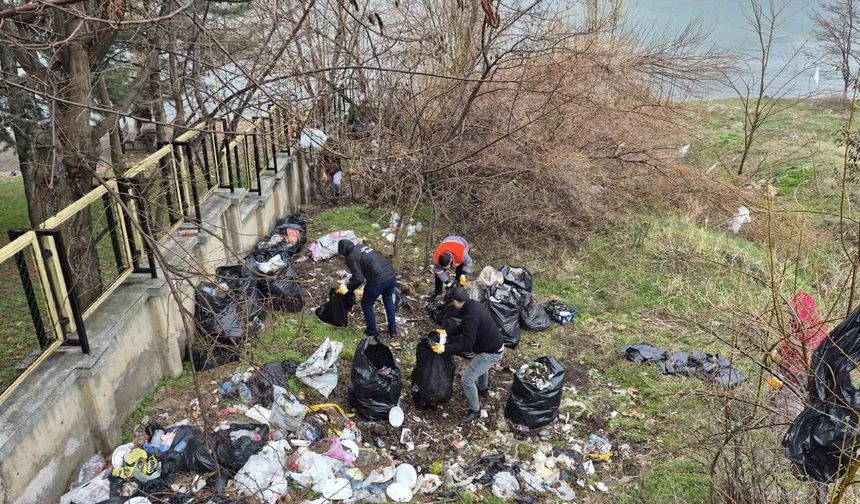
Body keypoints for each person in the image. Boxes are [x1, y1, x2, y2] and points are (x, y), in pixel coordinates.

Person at [433, 287, 504, 424]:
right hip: (492, 345)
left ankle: (475, 410)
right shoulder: (472, 305)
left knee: (466, 379)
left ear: (455, 301)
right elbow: (464, 327)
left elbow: (467, 345)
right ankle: (483, 388)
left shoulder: (471, 315)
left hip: (491, 352)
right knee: (481, 365)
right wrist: (447, 332)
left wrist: (444, 348)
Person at [769, 290, 828, 422]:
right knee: (773, 401)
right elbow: (783, 349)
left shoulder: (815, 336)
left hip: (798, 387)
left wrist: (783, 362)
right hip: (785, 379)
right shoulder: (800, 331)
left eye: (794, 316)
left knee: (789, 418)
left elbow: (808, 365)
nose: (791, 321)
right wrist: (777, 355)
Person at [337, 240, 398, 341]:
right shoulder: (361, 247)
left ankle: (372, 332)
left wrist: (348, 288)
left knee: (367, 303)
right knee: (388, 299)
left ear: (342, 251)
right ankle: (393, 330)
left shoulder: (350, 257)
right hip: (391, 275)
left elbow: (358, 278)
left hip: (378, 280)